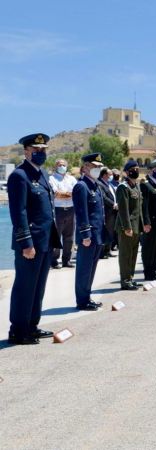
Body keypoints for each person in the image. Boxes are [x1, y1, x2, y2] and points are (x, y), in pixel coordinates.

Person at [7, 133, 59, 345]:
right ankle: (18, 331)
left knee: (38, 286)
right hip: (30, 243)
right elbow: (18, 213)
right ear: (26, 151)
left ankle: (32, 325)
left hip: (45, 241)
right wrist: (26, 243)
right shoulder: (20, 176)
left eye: (43, 150)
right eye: (36, 150)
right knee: (25, 286)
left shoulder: (43, 174)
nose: (40, 153)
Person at [72, 153, 106, 311]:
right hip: (88, 236)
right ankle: (82, 300)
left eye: (99, 167)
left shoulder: (96, 185)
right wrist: (85, 234)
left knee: (91, 268)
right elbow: (81, 213)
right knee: (84, 269)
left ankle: (87, 297)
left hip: (97, 234)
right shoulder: (81, 186)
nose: (98, 169)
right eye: (94, 166)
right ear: (85, 167)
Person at [115, 160, 144, 290]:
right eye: (133, 169)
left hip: (136, 226)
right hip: (126, 227)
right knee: (125, 254)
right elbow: (123, 209)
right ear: (126, 172)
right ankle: (125, 280)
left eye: (137, 168)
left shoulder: (136, 186)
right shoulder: (123, 187)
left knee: (133, 253)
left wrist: (142, 225)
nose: (136, 171)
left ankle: (130, 278)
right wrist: (127, 227)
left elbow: (139, 209)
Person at [49, 158, 77, 269]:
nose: (62, 167)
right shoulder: (52, 178)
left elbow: (77, 192)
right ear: (55, 167)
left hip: (71, 209)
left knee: (69, 237)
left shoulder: (72, 179)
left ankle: (67, 260)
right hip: (58, 210)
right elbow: (56, 194)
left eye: (64, 165)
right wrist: (70, 194)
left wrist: (66, 194)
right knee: (57, 236)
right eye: (60, 165)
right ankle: (54, 260)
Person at [97, 167, 117, 259]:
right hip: (106, 211)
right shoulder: (100, 184)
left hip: (112, 212)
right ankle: (102, 252)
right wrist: (113, 204)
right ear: (104, 175)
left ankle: (108, 250)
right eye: (110, 174)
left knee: (110, 231)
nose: (111, 176)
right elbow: (104, 198)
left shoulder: (109, 184)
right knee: (105, 231)